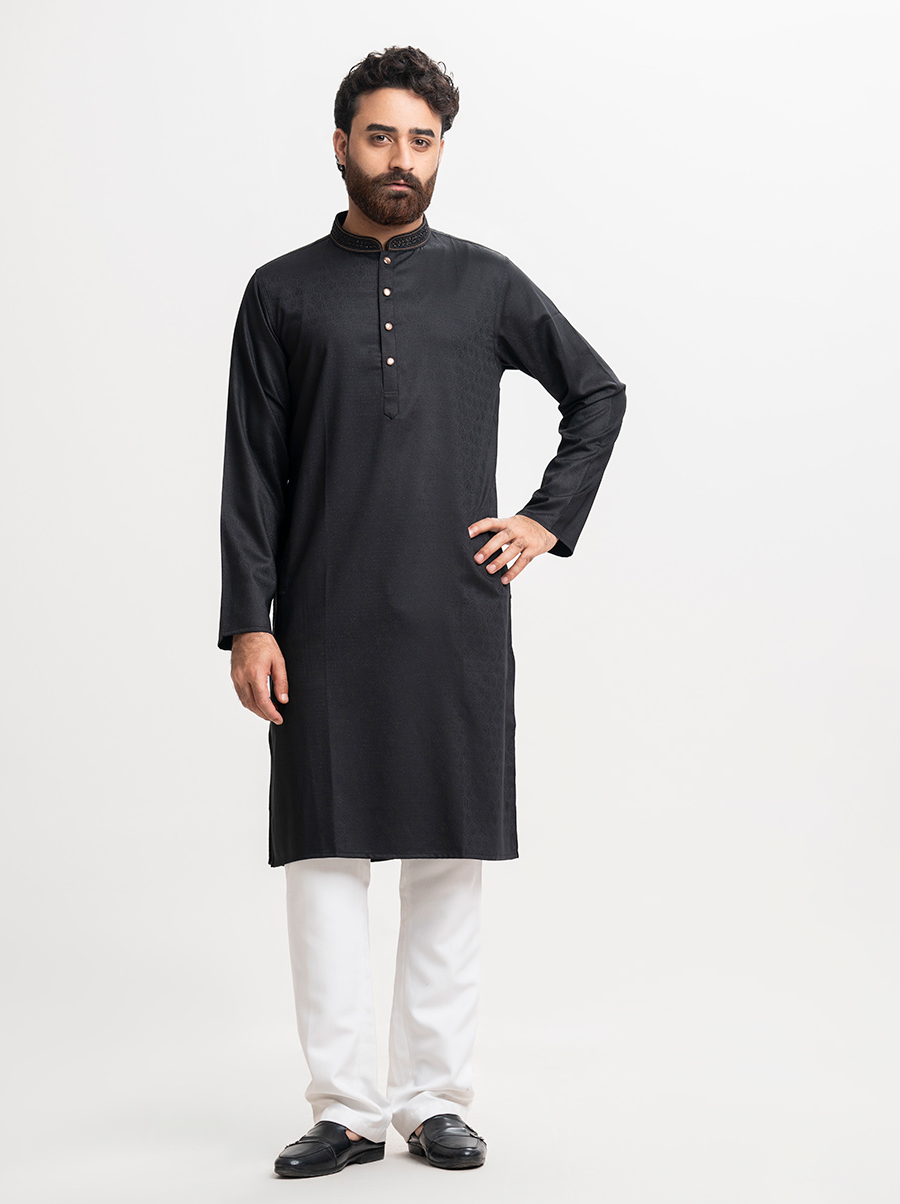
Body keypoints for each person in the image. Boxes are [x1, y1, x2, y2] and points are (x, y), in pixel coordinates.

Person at [218, 46, 627, 1178]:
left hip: (453, 616)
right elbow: (250, 469)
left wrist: (543, 519)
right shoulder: (280, 291)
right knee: (324, 862)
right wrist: (249, 618)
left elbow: (597, 391)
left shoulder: (484, 282)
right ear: (340, 144)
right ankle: (345, 1108)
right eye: (381, 136)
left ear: (441, 150)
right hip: (318, 618)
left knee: (447, 858)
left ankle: (434, 1098)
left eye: (422, 139)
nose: (401, 159)